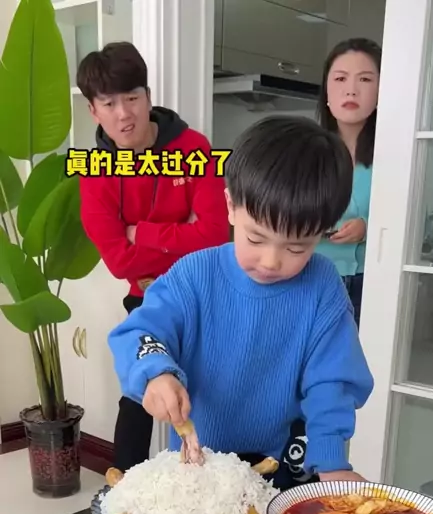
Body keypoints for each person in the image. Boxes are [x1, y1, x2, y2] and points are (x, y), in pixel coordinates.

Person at [107, 115, 374, 487]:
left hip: (282, 472)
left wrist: (331, 461)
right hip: (195, 471)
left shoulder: (323, 286)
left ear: (322, 233)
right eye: (256, 238)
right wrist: (155, 372)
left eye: (297, 247)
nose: (271, 261)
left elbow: (332, 381)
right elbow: (139, 332)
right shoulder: (194, 274)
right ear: (231, 206)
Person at [77, 42, 230, 472]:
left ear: (147, 96)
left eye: (132, 97)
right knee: (139, 392)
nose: (124, 113)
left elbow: (215, 236)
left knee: (211, 392)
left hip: (204, 292)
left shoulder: (193, 149)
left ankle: (211, 481)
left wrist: (141, 232)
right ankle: (123, 490)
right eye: (109, 103)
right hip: (145, 298)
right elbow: (120, 263)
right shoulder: (96, 173)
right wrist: (183, 234)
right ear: (94, 111)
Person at [316, 37, 382, 327]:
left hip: (376, 280)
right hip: (313, 275)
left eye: (365, 79)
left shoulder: (399, 152)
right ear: (327, 90)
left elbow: (417, 217)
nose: (351, 90)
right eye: (340, 78)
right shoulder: (306, 150)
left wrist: (368, 226)